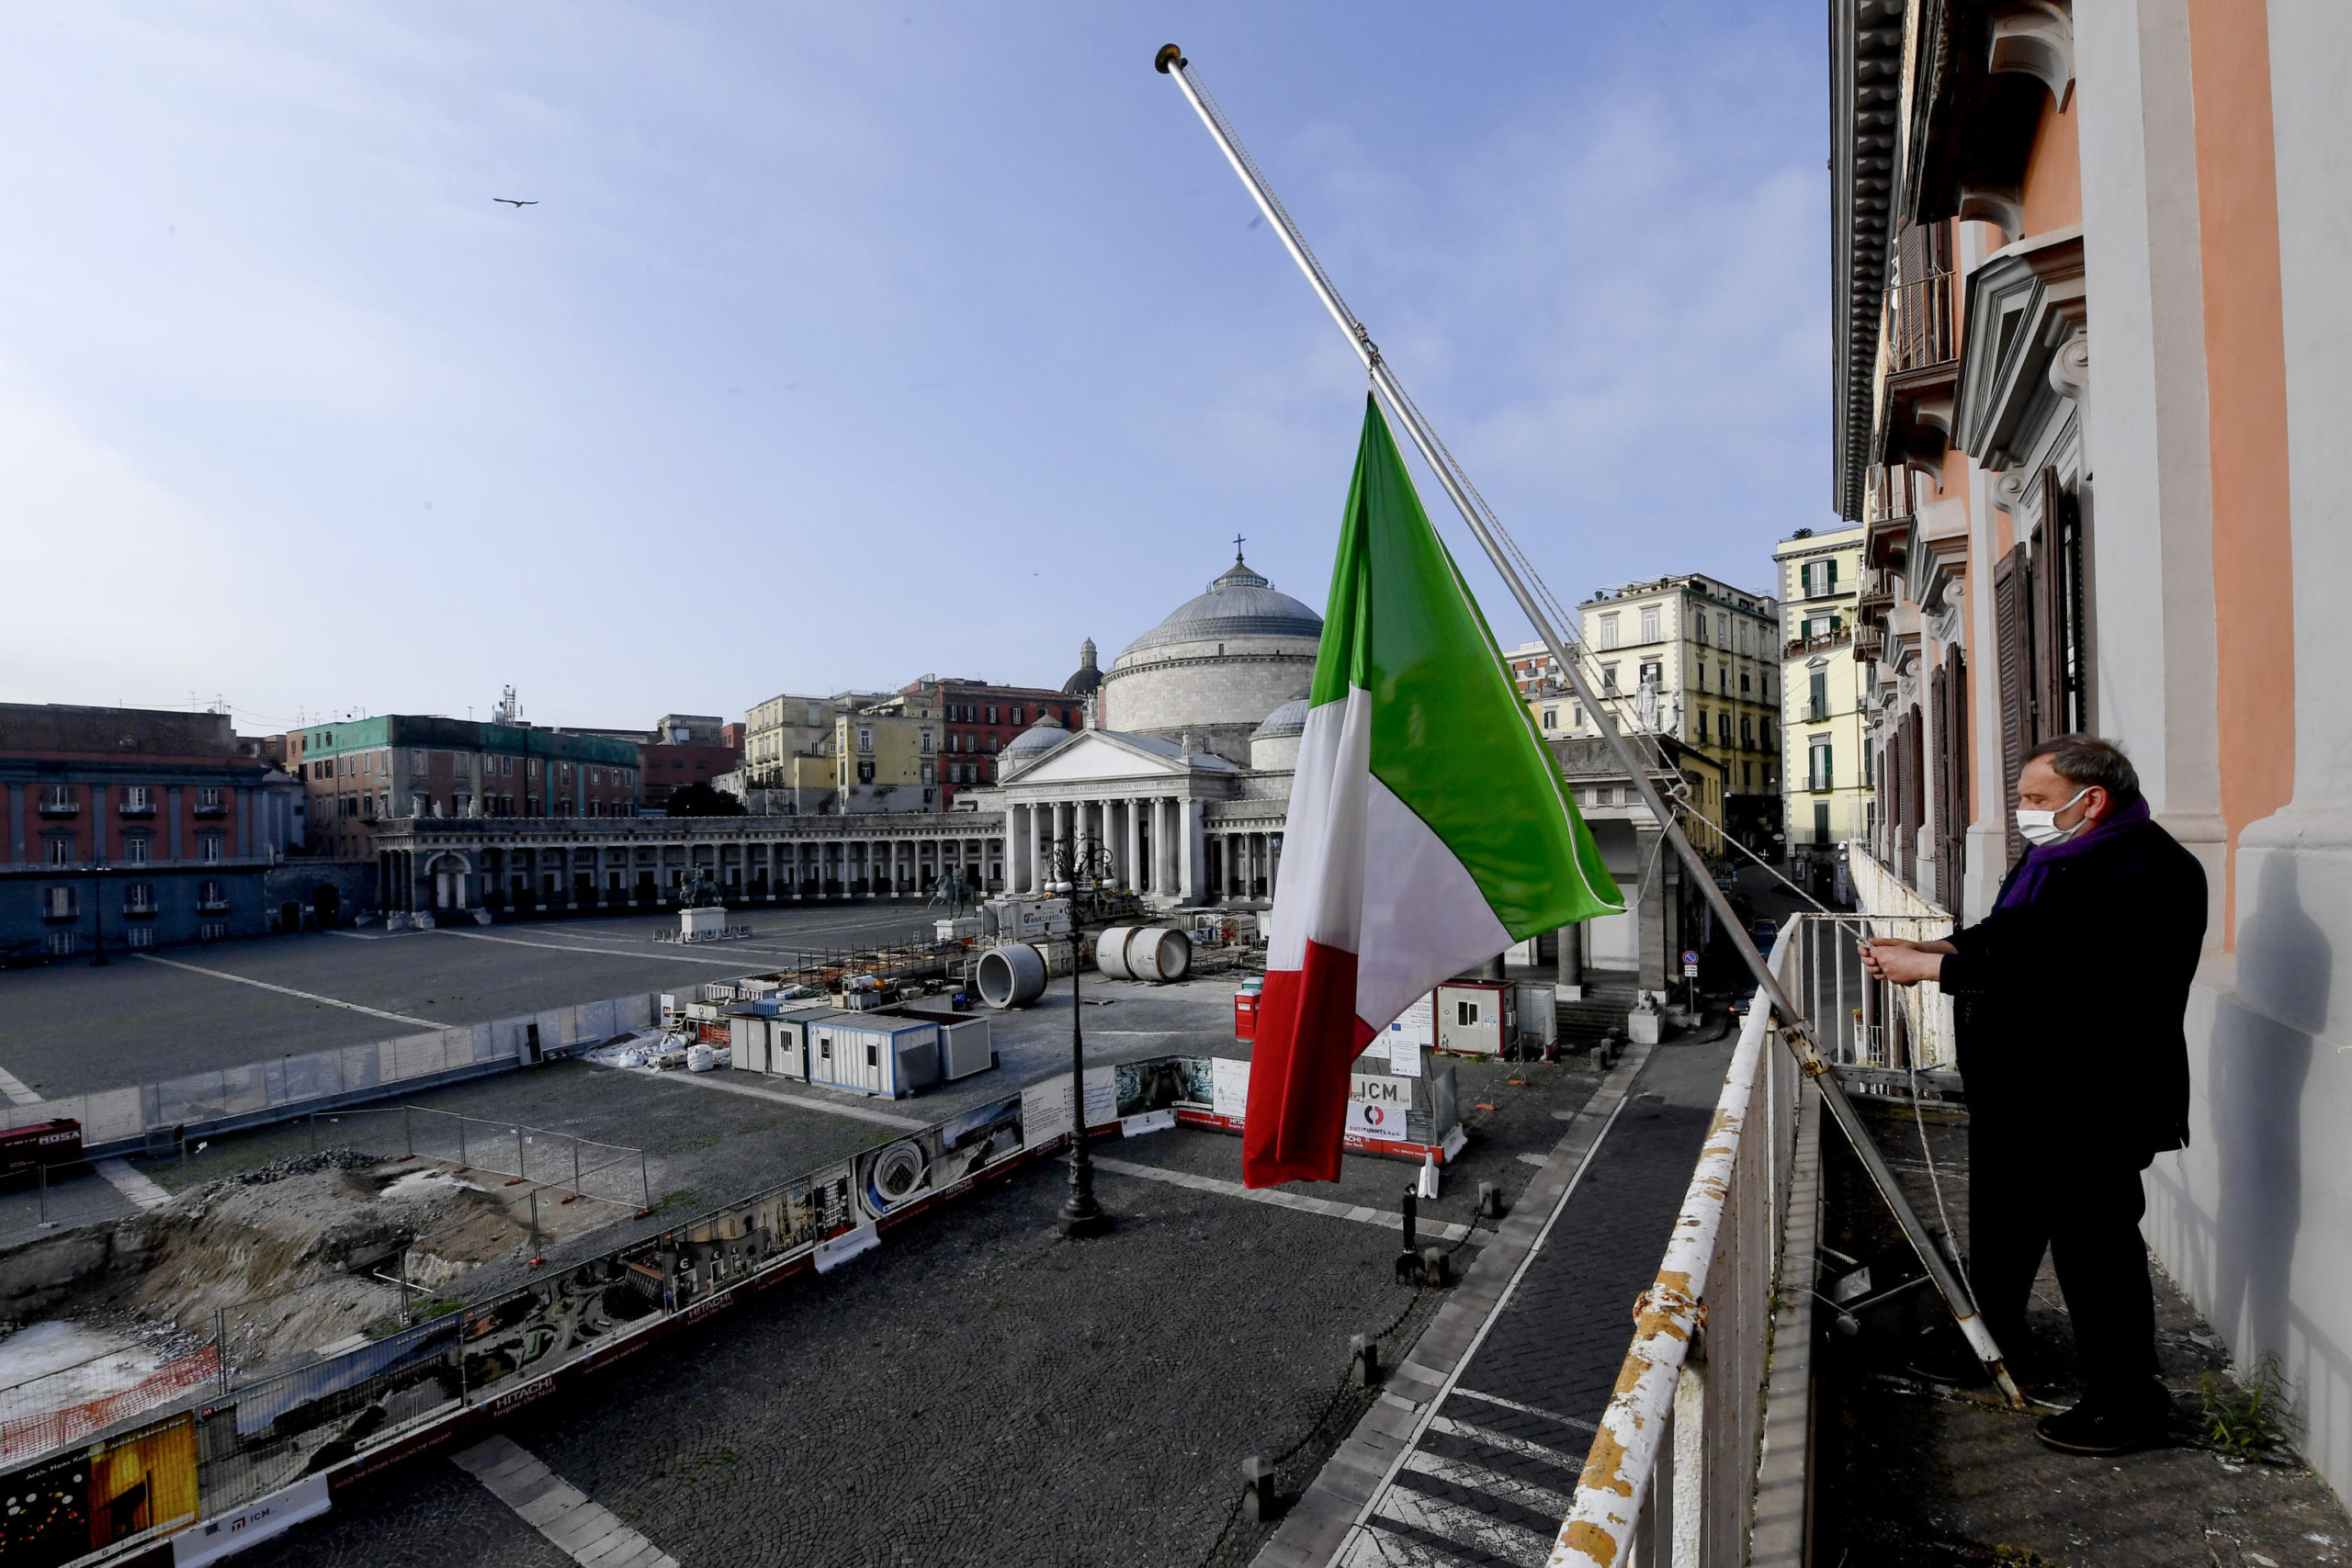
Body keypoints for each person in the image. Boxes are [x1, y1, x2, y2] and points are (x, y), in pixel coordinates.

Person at [1862, 734, 2206, 1456]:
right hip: (2020, 1090)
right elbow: (2005, 934)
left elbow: (2069, 970)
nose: (2024, 813)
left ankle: (2128, 1403)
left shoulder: (2149, 868)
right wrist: (1939, 950)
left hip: (2092, 1099)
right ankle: (1993, 1342)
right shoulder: (2058, 855)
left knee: (2095, 1250)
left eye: (2036, 800)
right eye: (2022, 799)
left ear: (2093, 799)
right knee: (2003, 1227)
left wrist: (1932, 975)